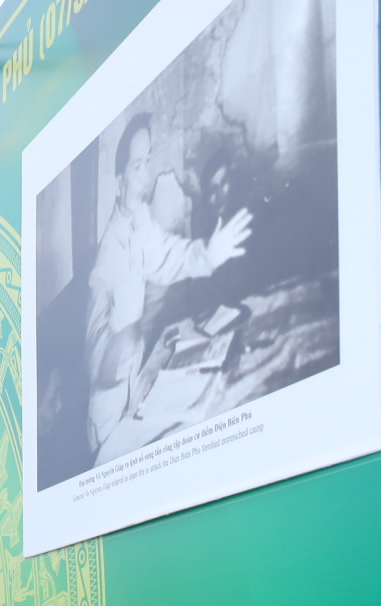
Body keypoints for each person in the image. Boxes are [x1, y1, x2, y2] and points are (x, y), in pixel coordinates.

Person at [85, 112, 254, 466]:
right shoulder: (108, 255)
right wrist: (124, 341)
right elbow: (96, 356)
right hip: (110, 424)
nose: (146, 177)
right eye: (137, 168)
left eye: (148, 163)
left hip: (135, 397)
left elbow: (168, 256)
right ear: (118, 182)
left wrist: (208, 252)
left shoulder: (140, 220)